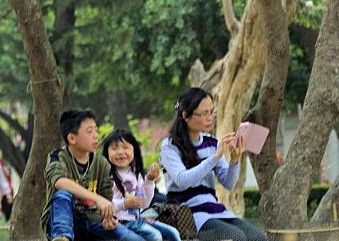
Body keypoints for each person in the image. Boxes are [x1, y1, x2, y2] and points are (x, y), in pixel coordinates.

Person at [160, 88, 267, 241]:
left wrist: (235, 160)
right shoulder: (169, 146)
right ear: (185, 116)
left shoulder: (211, 143)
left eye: (212, 112)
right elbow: (182, 180)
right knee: (235, 237)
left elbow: (229, 183)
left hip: (214, 210)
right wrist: (216, 156)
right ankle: (193, 238)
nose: (210, 118)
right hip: (188, 214)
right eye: (204, 113)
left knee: (258, 237)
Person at [41, 109, 144, 241]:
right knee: (63, 194)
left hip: (95, 221)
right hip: (67, 222)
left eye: (96, 130)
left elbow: (106, 200)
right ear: (72, 138)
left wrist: (109, 218)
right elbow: (59, 181)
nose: (96, 135)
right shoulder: (57, 157)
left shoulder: (102, 163)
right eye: (90, 131)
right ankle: (62, 237)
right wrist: (97, 199)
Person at [103, 129, 180, 241]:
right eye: (115, 148)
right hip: (119, 222)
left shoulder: (136, 174)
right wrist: (124, 204)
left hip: (138, 219)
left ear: (134, 150)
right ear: (107, 152)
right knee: (155, 236)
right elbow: (104, 204)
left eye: (125, 147)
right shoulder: (106, 176)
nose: (120, 152)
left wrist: (149, 180)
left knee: (173, 232)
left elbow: (145, 204)